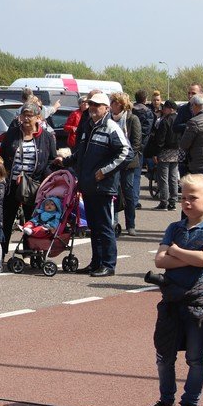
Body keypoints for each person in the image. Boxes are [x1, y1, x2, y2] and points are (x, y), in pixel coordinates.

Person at [141, 173, 203, 406]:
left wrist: (176, 251)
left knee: (194, 357)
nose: (187, 203)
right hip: (171, 301)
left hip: (198, 301)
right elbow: (160, 261)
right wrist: (190, 256)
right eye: (183, 198)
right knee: (164, 355)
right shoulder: (174, 228)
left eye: (193, 198)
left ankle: (189, 404)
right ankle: (165, 402)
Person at [57, 92, 130, 277]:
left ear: (106, 108)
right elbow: (81, 152)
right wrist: (65, 162)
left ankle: (108, 264)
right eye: (91, 104)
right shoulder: (88, 125)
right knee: (94, 227)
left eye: (97, 105)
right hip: (88, 184)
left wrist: (104, 171)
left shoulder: (111, 127)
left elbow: (126, 153)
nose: (93, 108)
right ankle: (96, 262)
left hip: (103, 186)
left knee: (104, 226)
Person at [0, 103, 56, 256]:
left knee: (32, 221)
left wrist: (48, 182)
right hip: (12, 184)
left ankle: (29, 253)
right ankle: (0, 254)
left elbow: (51, 160)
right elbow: (2, 156)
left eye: (29, 115)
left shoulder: (47, 137)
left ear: (38, 117)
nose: (25, 118)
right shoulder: (12, 133)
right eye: (23, 115)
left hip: (33, 185)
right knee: (6, 219)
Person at [110, 92, 142, 235]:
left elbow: (136, 143)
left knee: (128, 193)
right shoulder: (109, 119)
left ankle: (131, 224)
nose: (110, 105)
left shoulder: (132, 119)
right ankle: (114, 223)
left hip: (128, 163)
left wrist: (124, 158)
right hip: (112, 162)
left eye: (113, 103)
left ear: (120, 104)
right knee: (113, 192)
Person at [148, 100, 180, 210]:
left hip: (165, 152)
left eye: (165, 108)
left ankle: (164, 202)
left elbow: (160, 139)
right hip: (176, 152)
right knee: (173, 177)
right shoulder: (179, 119)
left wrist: (155, 153)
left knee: (163, 178)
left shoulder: (165, 120)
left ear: (170, 108)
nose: (164, 110)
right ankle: (173, 201)